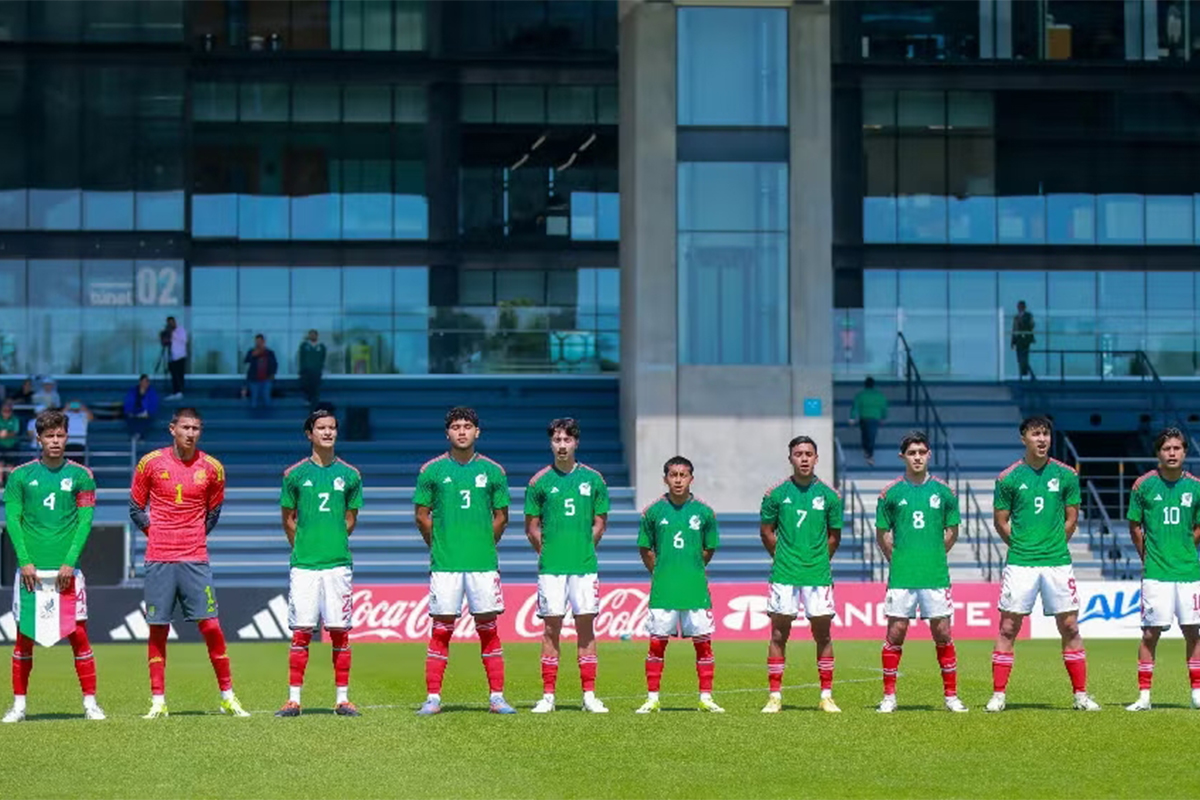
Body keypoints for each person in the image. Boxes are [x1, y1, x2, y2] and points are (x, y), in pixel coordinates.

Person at [129, 407, 249, 719]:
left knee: (210, 625)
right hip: (159, 557)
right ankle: (158, 701)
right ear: (172, 429)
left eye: (196, 428)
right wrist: (159, 534)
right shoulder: (150, 463)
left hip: (195, 557)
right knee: (158, 628)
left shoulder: (213, 468)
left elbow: (214, 512)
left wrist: (191, 535)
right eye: (185, 427)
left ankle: (228, 697)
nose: (190, 433)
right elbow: (135, 508)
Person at [988, 415, 1099, 712]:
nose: (1042, 439)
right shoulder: (1008, 478)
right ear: (1023, 438)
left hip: (1056, 562)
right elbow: (1000, 521)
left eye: (1046, 434)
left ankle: (1080, 695)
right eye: (1036, 434)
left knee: (1070, 626)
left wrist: (1054, 544)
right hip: (1021, 563)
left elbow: (1072, 517)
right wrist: (1022, 546)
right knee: (1008, 627)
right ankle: (998, 695)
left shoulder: (1066, 475)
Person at [1, 408, 103, 722]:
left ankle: (90, 704)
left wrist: (69, 562)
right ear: (39, 438)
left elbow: (85, 523)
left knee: (79, 635)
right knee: (24, 638)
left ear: (67, 437)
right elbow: (12, 521)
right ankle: (19, 706)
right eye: (50, 436)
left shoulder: (82, 476)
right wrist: (24, 561)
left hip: (67, 572)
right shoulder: (20, 476)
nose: (56, 441)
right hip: (30, 573)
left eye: (60, 435)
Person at [414, 406, 514, 715]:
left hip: (482, 564)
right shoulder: (431, 471)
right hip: (446, 564)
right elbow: (421, 515)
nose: (461, 431)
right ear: (447, 433)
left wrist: (482, 543)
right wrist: (440, 545)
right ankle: (433, 698)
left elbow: (502, 517)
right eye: (456, 426)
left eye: (467, 426)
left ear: (477, 432)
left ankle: (497, 697)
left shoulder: (494, 471)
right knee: (441, 630)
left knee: (488, 629)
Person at [276, 410, 363, 718]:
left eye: (332, 428)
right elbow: (288, 519)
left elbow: (350, 519)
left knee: (340, 631)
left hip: (338, 564)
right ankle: (293, 700)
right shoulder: (294, 474)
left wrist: (331, 540)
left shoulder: (351, 475)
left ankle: (342, 699)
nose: (328, 432)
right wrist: (305, 546)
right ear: (309, 434)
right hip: (305, 565)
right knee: (301, 632)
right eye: (321, 428)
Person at [874, 431, 967, 713]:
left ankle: (951, 696)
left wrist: (933, 555)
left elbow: (952, 531)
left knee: (942, 632)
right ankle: (889, 697)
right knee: (896, 632)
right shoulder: (890, 493)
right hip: (902, 576)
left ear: (929, 455)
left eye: (922, 452)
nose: (917, 457)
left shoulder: (944, 492)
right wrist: (899, 560)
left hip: (934, 575)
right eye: (912, 453)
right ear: (902, 456)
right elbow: (883, 534)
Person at [525, 417, 610, 714]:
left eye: (567, 440)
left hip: (584, 567)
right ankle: (548, 696)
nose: (562, 445)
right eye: (557, 440)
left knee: (586, 627)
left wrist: (583, 548)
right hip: (551, 568)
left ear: (576, 443)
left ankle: (589, 695)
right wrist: (549, 552)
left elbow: (600, 523)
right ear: (551, 443)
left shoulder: (594, 479)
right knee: (551, 628)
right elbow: (531, 527)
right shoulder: (539, 482)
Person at [759, 436, 844, 714]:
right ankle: (774, 696)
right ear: (790, 458)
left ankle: (826, 696)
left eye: (809, 454)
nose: (804, 458)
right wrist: (784, 558)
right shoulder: (775, 494)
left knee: (823, 634)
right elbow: (766, 532)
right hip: (784, 574)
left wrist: (817, 560)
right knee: (778, 634)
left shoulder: (830, 496)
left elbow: (834, 536)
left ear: (816, 458)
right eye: (798, 454)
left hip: (817, 575)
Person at [635, 456, 722, 714]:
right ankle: (652, 699)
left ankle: (706, 698)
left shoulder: (705, 512)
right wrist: (662, 572)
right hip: (664, 590)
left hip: (695, 590)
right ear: (665, 479)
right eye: (673, 475)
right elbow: (645, 549)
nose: (678, 480)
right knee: (656, 645)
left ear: (691, 478)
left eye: (683, 475)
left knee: (703, 645)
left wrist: (691, 569)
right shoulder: (652, 512)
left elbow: (709, 549)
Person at [1124, 427, 1200, 711]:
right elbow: (1134, 525)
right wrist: (1147, 555)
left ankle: (1197, 693)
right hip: (1156, 573)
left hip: (1189, 572)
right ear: (1158, 453)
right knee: (1150, 634)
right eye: (1166, 448)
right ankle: (1144, 696)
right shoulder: (1143, 485)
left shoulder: (1196, 487)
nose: (1172, 453)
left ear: (1184, 452)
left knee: (1193, 632)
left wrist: (1185, 546)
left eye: (1177, 448)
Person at [849, 377, 888, 466]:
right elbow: (884, 407)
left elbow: (855, 406)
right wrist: (883, 417)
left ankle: (866, 451)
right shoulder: (879, 395)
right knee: (872, 436)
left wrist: (852, 418)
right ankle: (869, 455)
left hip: (864, 418)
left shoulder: (860, 395)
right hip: (874, 418)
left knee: (864, 434)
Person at [243, 334, 278, 412]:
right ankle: (253, 415)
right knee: (254, 399)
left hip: (266, 379)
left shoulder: (269, 353)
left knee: (266, 398)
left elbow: (274, 364)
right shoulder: (251, 352)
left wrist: (272, 374)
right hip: (254, 380)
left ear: (263, 342)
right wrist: (253, 355)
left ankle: (268, 416)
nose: (258, 343)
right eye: (257, 341)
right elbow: (246, 362)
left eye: (260, 341)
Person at [123, 374, 160, 440]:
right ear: (140, 382)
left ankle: (139, 435)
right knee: (130, 419)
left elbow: (153, 404)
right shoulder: (133, 391)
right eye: (143, 382)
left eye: (146, 382)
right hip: (134, 413)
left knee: (145, 420)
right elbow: (128, 402)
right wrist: (131, 412)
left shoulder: (152, 392)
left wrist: (147, 412)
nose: (144, 384)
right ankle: (135, 435)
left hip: (146, 414)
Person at [298, 330, 327, 410]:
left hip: (316, 371)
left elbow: (323, 358)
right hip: (306, 371)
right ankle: (307, 400)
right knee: (306, 385)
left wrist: (319, 368)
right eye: (311, 335)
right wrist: (302, 369)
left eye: (314, 335)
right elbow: (301, 358)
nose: (312, 336)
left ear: (317, 336)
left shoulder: (321, 346)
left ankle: (314, 405)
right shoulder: (304, 346)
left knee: (316, 388)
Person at [164, 316, 188, 400]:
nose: (171, 324)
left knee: (179, 374)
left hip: (180, 356)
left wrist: (173, 333)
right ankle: (175, 391)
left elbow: (184, 340)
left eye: (172, 322)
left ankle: (180, 391)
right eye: (169, 323)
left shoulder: (181, 330)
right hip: (172, 357)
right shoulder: (168, 332)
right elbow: (165, 342)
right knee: (173, 375)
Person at [1012, 301, 1036, 380]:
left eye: (1020, 306)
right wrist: (1013, 342)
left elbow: (1031, 325)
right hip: (1018, 340)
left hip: (1025, 340)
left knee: (1024, 358)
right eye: (1018, 306)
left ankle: (1029, 374)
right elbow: (1014, 330)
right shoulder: (1016, 317)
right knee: (1019, 359)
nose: (1019, 308)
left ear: (1024, 307)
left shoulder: (1028, 316)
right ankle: (1023, 374)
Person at [0, 399, 22, 485]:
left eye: (8, 411)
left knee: (10, 465)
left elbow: (15, 432)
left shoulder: (15, 419)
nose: (6, 412)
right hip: (1, 445)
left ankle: (9, 483)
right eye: (4, 411)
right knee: (0, 464)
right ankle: (0, 482)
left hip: (12, 445)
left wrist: (5, 434)